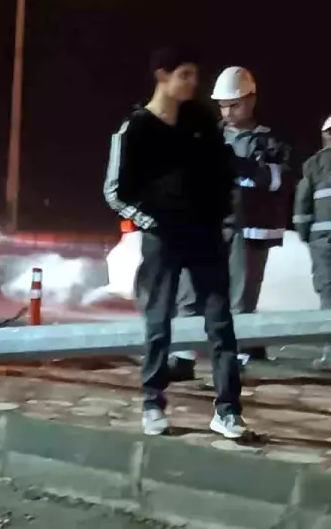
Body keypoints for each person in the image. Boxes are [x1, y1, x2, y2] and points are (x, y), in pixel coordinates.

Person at [103, 46, 245, 439]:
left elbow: (221, 171)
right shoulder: (136, 128)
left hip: (206, 236)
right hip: (163, 240)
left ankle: (228, 410)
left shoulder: (200, 120)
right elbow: (115, 191)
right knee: (158, 323)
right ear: (162, 75)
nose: (193, 84)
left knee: (221, 324)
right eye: (185, 75)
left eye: (195, 76)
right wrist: (154, 223)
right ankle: (153, 403)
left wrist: (218, 215)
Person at [169, 67, 292, 378]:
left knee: (239, 297)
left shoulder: (269, 141)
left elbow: (279, 181)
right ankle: (183, 357)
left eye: (233, 104)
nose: (227, 111)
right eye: (222, 105)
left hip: (247, 231)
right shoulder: (210, 136)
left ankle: (233, 360)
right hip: (208, 225)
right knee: (191, 290)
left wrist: (247, 168)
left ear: (251, 100)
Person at [294, 116, 331, 363]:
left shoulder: (314, 164)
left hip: (322, 241)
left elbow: (302, 204)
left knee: (328, 292)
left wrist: (304, 234)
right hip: (322, 239)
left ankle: (330, 352)